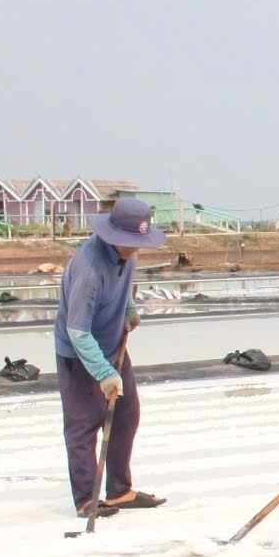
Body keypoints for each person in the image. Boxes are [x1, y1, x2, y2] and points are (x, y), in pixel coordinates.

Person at [52, 194, 166, 516]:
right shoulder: (89, 269)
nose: (133, 248)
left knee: (126, 415)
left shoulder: (128, 255)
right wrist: (103, 373)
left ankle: (119, 491)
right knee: (84, 425)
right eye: (127, 241)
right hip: (79, 353)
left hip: (113, 342)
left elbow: (126, 285)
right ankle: (87, 500)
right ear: (112, 235)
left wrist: (128, 309)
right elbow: (77, 332)